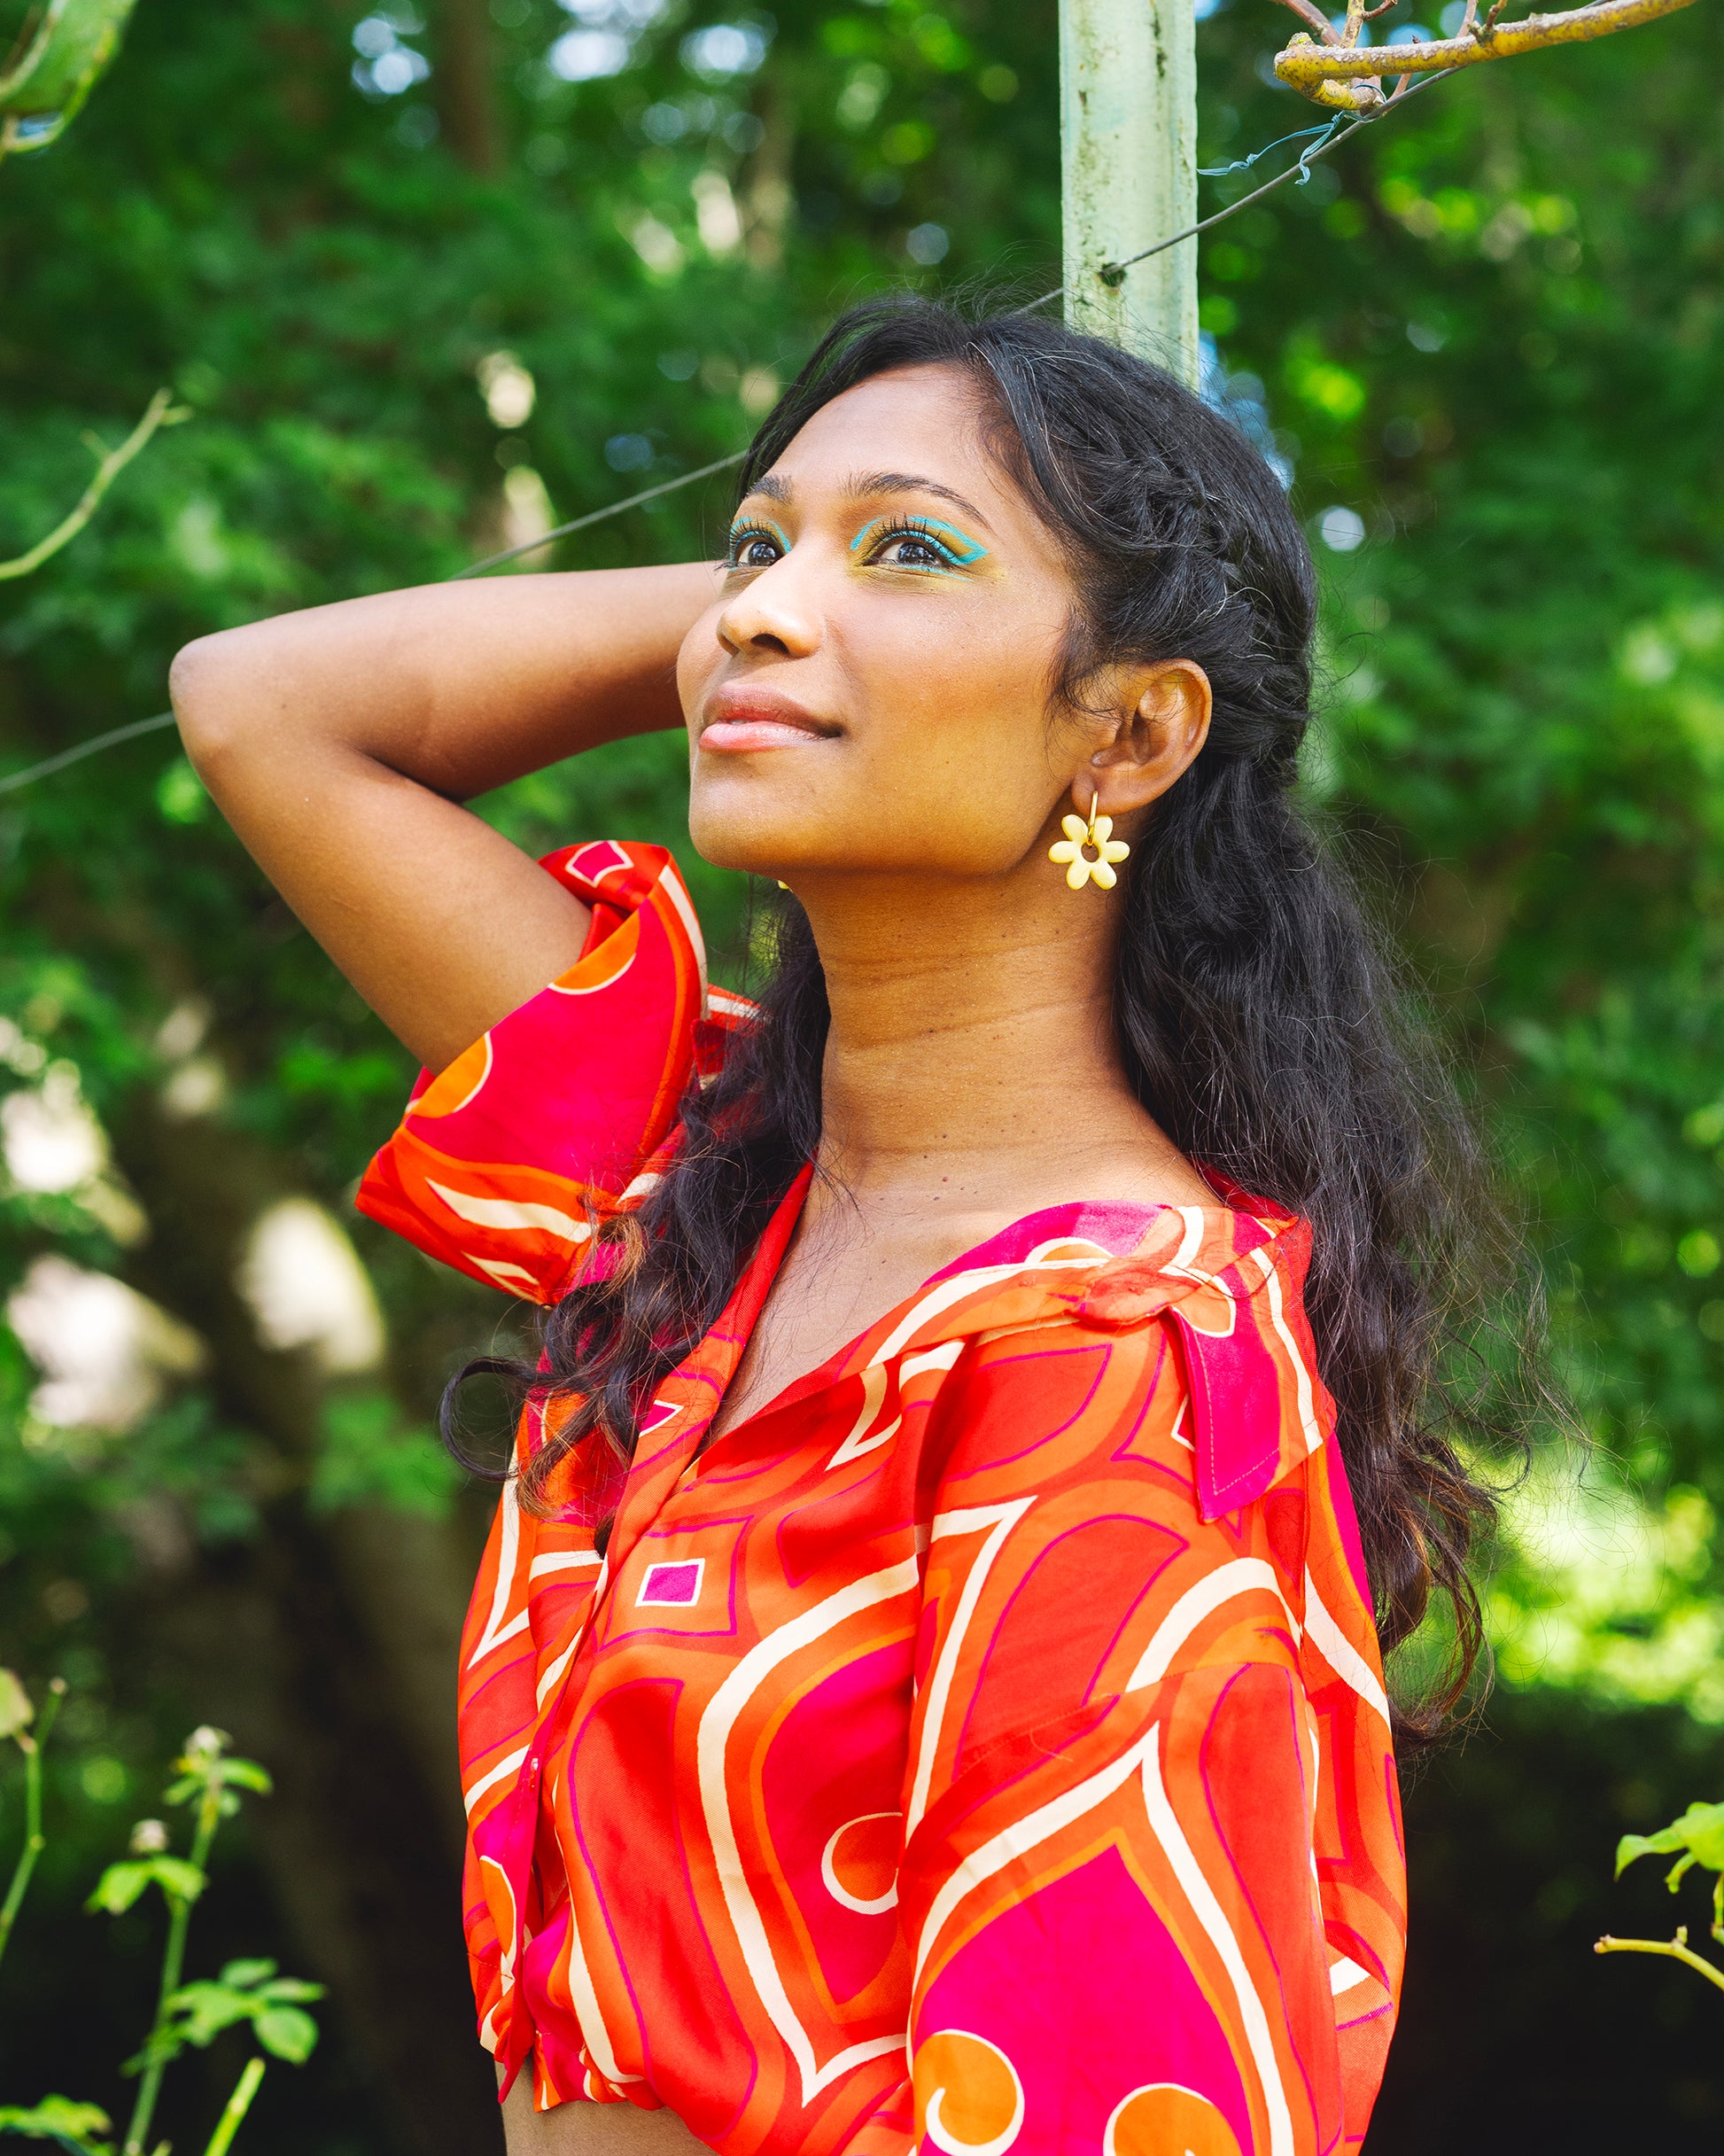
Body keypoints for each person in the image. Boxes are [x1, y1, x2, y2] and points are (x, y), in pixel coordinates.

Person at [170, 298, 1503, 2156]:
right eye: (754, 544)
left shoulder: (1104, 1343)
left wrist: (863, 622)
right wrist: (797, 621)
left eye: (911, 550)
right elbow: (259, 703)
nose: (763, 606)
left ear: (1131, 734)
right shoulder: (697, 1190)